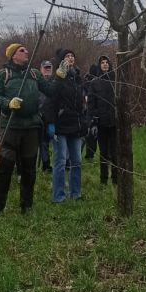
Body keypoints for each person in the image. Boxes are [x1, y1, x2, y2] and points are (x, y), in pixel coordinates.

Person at [0, 43, 55, 214]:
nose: (26, 52)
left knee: (29, 169)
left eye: (26, 49)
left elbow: (51, 91)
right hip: (10, 126)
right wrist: (8, 103)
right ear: (13, 55)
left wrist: (60, 78)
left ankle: (26, 206)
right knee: (5, 168)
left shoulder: (34, 73)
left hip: (31, 127)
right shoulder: (3, 74)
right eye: (22, 50)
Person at [51, 48, 87, 203]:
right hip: (60, 125)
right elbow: (50, 101)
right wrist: (50, 123)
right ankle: (58, 196)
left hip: (75, 125)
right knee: (60, 162)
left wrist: (84, 122)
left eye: (72, 55)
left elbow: (82, 103)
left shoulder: (78, 78)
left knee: (76, 161)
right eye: (67, 56)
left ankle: (76, 193)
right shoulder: (58, 78)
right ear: (62, 60)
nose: (70, 58)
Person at [88, 54, 117, 186]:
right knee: (103, 153)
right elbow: (91, 104)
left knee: (115, 152)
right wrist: (94, 120)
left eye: (107, 62)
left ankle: (116, 178)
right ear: (99, 66)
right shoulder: (95, 82)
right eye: (102, 63)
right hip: (101, 123)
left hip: (114, 122)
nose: (105, 64)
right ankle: (103, 179)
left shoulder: (116, 80)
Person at [38, 60, 54, 172]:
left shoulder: (55, 82)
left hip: (53, 118)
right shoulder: (37, 82)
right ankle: (46, 164)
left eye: (49, 68)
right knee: (43, 142)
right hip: (40, 117)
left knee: (55, 140)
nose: (47, 70)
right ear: (41, 69)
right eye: (45, 68)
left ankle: (62, 163)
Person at [83, 64, 100, 159]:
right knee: (91, 135)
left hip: (89, 111)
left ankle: (89, 155)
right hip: (90, 111)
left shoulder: (86, 82)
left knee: (90, 135)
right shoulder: (90, 83)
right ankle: (90, 155)